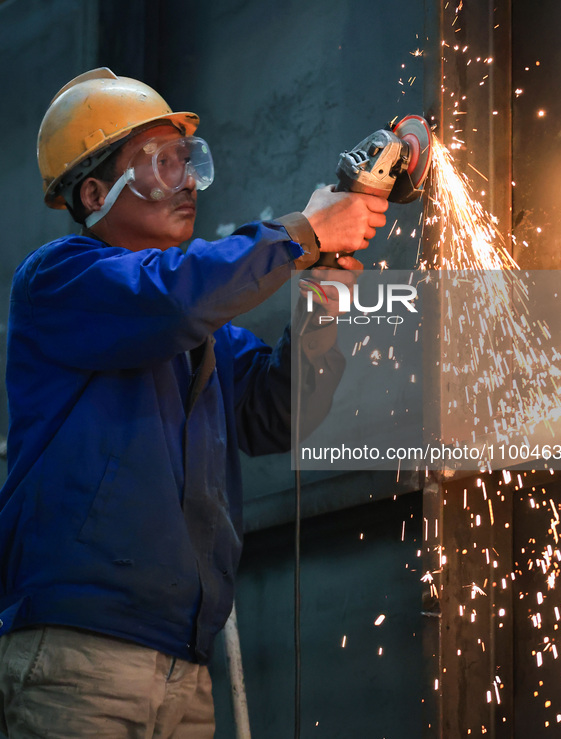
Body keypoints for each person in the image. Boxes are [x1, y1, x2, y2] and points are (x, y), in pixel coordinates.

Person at [0, 68, 388, 738]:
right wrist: (304, 231)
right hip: (77, 658)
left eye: (188, 162)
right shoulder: (58, 281)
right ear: (94, 192)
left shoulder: (199, 332)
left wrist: (324, 294)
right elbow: (168, 299)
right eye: (159, 162)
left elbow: (276, 414)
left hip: (184, 662)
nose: (185, 182)